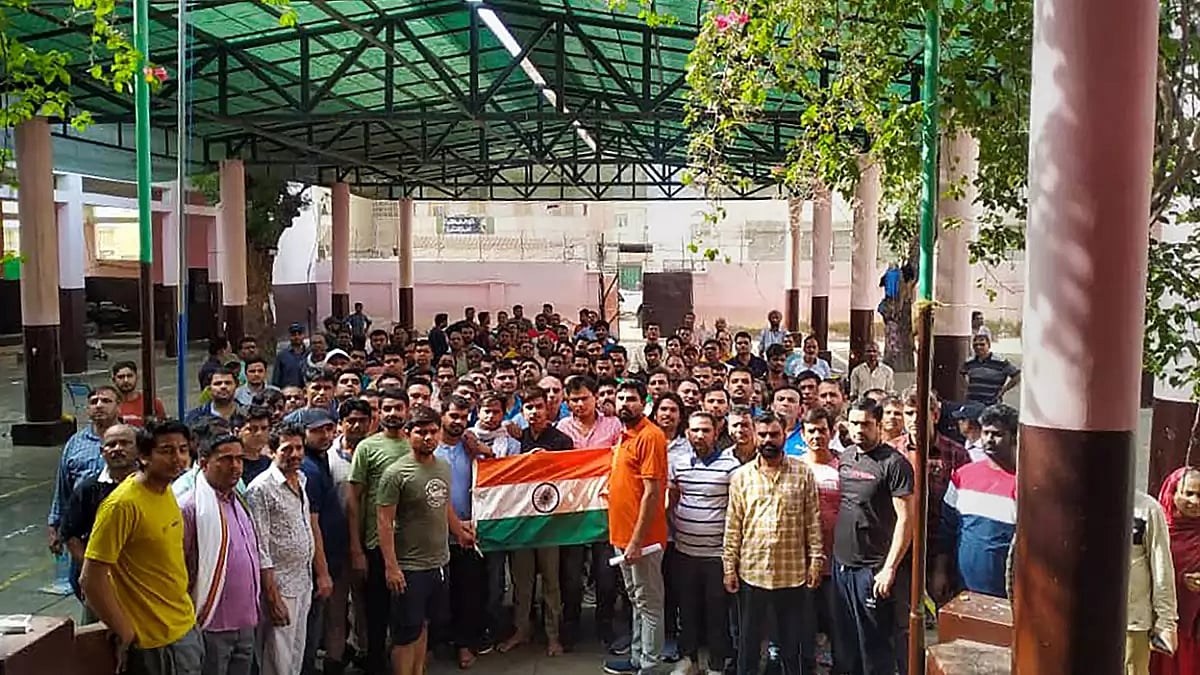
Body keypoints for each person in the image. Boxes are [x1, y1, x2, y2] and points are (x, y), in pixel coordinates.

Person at [80, 420, 202, 675]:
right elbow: (91, 579)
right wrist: (125, 630)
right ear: (144, 457)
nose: (177, 458)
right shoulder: (122, 505)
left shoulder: (166, 491)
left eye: (182, 449)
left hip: (184, 627)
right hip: (153, 644)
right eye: (166, 451)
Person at [377, 405, 476, 675]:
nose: (428, 437)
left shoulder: (442, 467)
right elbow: (384, 522)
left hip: (439, 562)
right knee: (405, 634)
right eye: (421, 432)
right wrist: (391, 566)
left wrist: (459, 532)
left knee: (424, 626)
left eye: (433, 432)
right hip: (410, 567)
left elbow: (443, 505)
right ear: (408, 434)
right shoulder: (396, 473)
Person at [724, 411, 824, 675]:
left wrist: (816, 562)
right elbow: (733, 526)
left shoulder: (803, 473)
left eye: (775, 434)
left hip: (792, 575)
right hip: (751, 574)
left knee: (792, 647)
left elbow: (812, 522)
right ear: (755, 436)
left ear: (784, 436)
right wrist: (728, 568)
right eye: (764, 434)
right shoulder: (741, 476)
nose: (769, 440)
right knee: (748, 645)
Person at [833, 398, 915, 675]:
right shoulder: (845, 457)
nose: (859, 429)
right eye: (854, 423)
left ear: (879, 425)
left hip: (873, 570)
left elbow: (906, 519)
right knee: (846, 641)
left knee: (874, 645)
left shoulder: (895, 464)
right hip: (842, 564)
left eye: (866, 424)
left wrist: (889, 568)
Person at [246, 424, 332, 675]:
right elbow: (260, 547)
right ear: (272, 452)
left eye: (299, 448)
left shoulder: (301, 479)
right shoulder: (260, 488)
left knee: (295, 655)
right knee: (277, 661)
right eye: (287, 449)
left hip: (302, 582)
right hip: (280, 587)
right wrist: (272, 597)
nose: (295, 454)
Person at [499, 387, 574, 656]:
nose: (534, 412)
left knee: (552, 583)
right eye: (528, 407)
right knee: (522, 581)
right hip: (521, 523)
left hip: (549, 523)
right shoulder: (515, 440)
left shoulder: (562, 440)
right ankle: (522, 630)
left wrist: (546, 463)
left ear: (549, 408)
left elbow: (569, 479)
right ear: (523, 411)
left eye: (539, 406)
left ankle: (553, 635)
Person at [603, 379, 669, 675]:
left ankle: (650, 666)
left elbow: (653, 493)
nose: (624, 403)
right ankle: (637, 657)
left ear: (645, 403)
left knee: (650, 604)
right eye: (621, 398)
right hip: (622, 536)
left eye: (631, 398)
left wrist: (637, 541)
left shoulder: (651, 436)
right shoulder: (622, 435)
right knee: (636, 600)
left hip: (643, 540)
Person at [179, 435, 260, 675]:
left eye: (239, 459)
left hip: (246, 619)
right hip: (211, 621)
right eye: (225, 459)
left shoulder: (239, 501)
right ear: (203, 463)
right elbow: (180, 566)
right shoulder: (190, 507)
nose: (235, 466)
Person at [668, 411, 739, 675]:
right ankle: (688, 660)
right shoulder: (679, 464)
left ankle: (717, 665)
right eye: (694, 430)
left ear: (716, 432)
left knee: (717, 614)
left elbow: (736, 509)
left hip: (716, 556)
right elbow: (672, 500)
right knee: (686, 610)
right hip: (684, 552)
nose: (699, 435)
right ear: (687, 433)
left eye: (705, 430)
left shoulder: (731, 467)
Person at [348, 388, 411, 675]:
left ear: (407, 410)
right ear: (379, 413)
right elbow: (353, 501)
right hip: (375, 545)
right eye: (387, 409)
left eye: (398, 408)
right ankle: (375, 664)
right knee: (376, 614)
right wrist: (356, 548)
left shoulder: (416, 444)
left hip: (411, 547)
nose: (393, 414)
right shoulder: (367, 448)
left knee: (408, 616)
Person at [558, 376, 624, 648]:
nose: (579, 404)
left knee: (606, 575)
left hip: (606, 511)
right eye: (573, 400)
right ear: (567, 402)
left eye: (584, 398)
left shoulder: (613, 425)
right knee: (572, 576)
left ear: (596, 397)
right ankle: (571, 624)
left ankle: (605, 624)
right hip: (573, 513)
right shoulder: (561, 428)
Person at [935, 403, 1018, 601]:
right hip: (963, 590)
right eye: (986, 433)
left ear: (1014, 437)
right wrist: (940, 572)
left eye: (997, 434)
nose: (989, 440)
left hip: (1008, 594)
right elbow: (947, 529)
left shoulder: (1026, 483)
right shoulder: (963, 476)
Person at [61, 424, 138, 622]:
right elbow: (70, 535)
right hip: (102, 587)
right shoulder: (88, 489)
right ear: (102, 452)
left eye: (125, 443)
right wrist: (94, 571)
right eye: (111, 445)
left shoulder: (153, 486)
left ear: (138, 449)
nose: (117, 449)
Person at [49, 385, 120, 557]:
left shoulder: (134, 439)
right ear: (88, 409)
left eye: (106, 401)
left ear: (119, 406)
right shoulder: (75, 443)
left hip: (122, 528)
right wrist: (54, 525)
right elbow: (63, 487)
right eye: (94, 402)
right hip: (83, 534)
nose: (99, 405)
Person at [800, 407, 843, 672]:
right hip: (801, 563)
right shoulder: (793, 467)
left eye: (822, 430)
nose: (817, 436)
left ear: (832, 432)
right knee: (804, 626)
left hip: (837, 562)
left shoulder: (844, 466)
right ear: (803, 435)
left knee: (838, 625)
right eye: (812, 431)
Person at [1151, 467, 1200, 675]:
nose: (1196, 501)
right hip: (1156, 626)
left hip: (1193, 631)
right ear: (1172, 493)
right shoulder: (1155, 530)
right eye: (1188, 493)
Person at [1127, 489, 1178, 675]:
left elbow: (1161, 567)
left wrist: (1166, 622)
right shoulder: (1080, 500)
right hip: (1085, 618)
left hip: (1132, 622)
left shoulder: (1147, 509)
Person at [960, 333, 1020, 405]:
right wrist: (967, 387)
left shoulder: (1000, 362)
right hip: (972, 403)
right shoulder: (969, 362)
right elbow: (962, 373)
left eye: (982, 344)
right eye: (975, 345)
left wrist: (1003, 390)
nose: (978, 347)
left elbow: (1017, 376)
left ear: (989, 345)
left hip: (991, 404)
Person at [111, 361, 165, 427]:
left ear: (137, 377)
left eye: (129, 376)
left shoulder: (154, 403)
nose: (126, 380)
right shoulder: (109, 403)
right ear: (114, 380)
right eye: (121, 377)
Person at [273, 323, 310, 389]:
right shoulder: (282, 356)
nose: (297, 337)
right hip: (288, 394)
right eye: (293, 334)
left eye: (299, 334)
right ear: (289, 336)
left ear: (304, 335)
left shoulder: (309, 354)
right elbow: (276, 380)